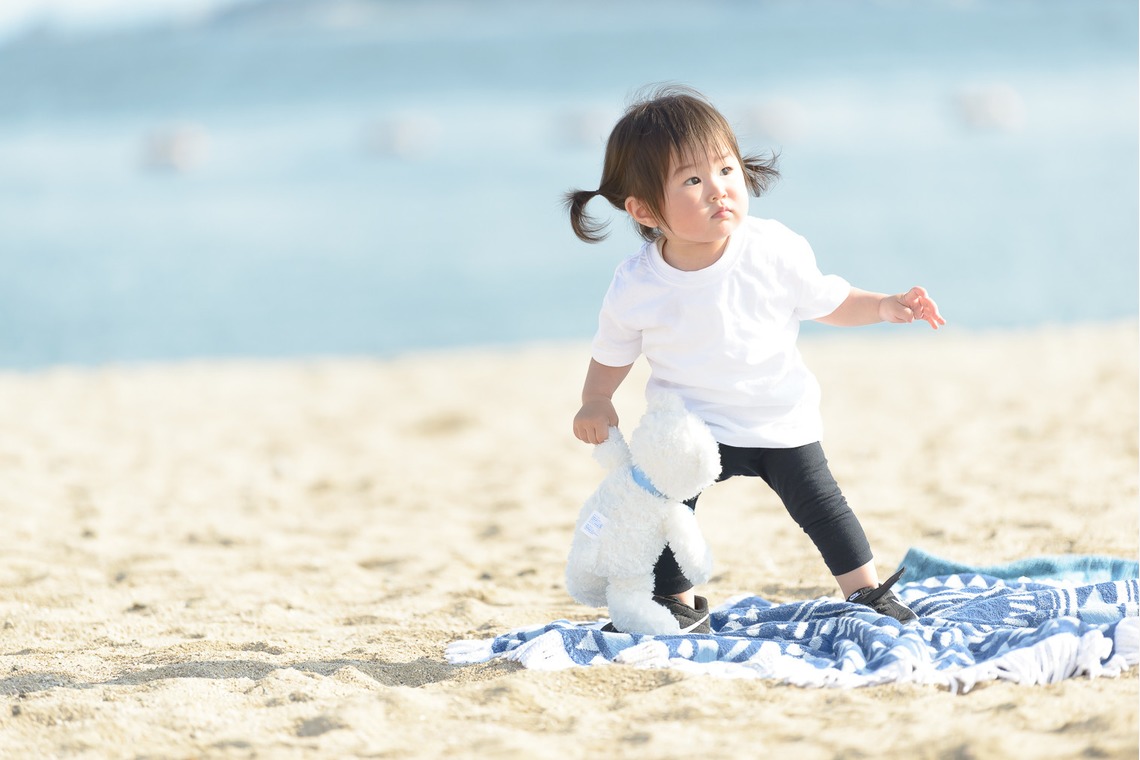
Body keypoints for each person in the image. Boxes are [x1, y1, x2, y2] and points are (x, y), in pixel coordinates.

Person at [565, 85, 945, 634]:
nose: (718, 189)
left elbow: (830, 300)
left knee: (821, 506)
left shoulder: (772, 249)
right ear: (644, 208)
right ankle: (677, 601)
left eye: (725, 169)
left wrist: (886, 305)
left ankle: (864, 590)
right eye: (693, 181)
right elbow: (612, 351)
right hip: (691, 425)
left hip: (776, 415)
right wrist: (595, 399)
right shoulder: (638, 283)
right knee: (668, 507)